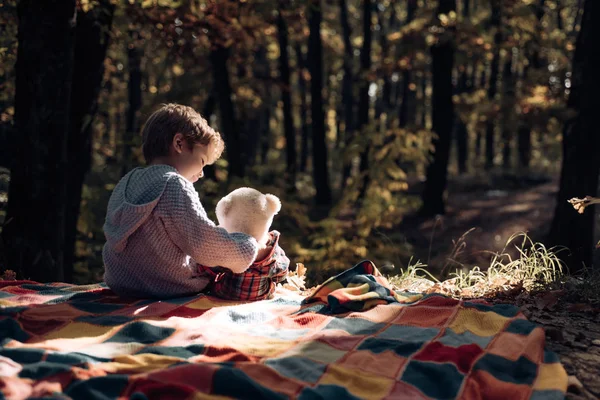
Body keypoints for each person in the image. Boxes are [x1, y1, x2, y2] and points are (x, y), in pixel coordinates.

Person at [102, 103, 270, 298]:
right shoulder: (174, 184)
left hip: (121, 283)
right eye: (201, 161)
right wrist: (248, 245)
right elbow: (204, 245)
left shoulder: (127, 181)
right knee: (259, 260)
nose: (201, 173)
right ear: (179, 144)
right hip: (166, 287)